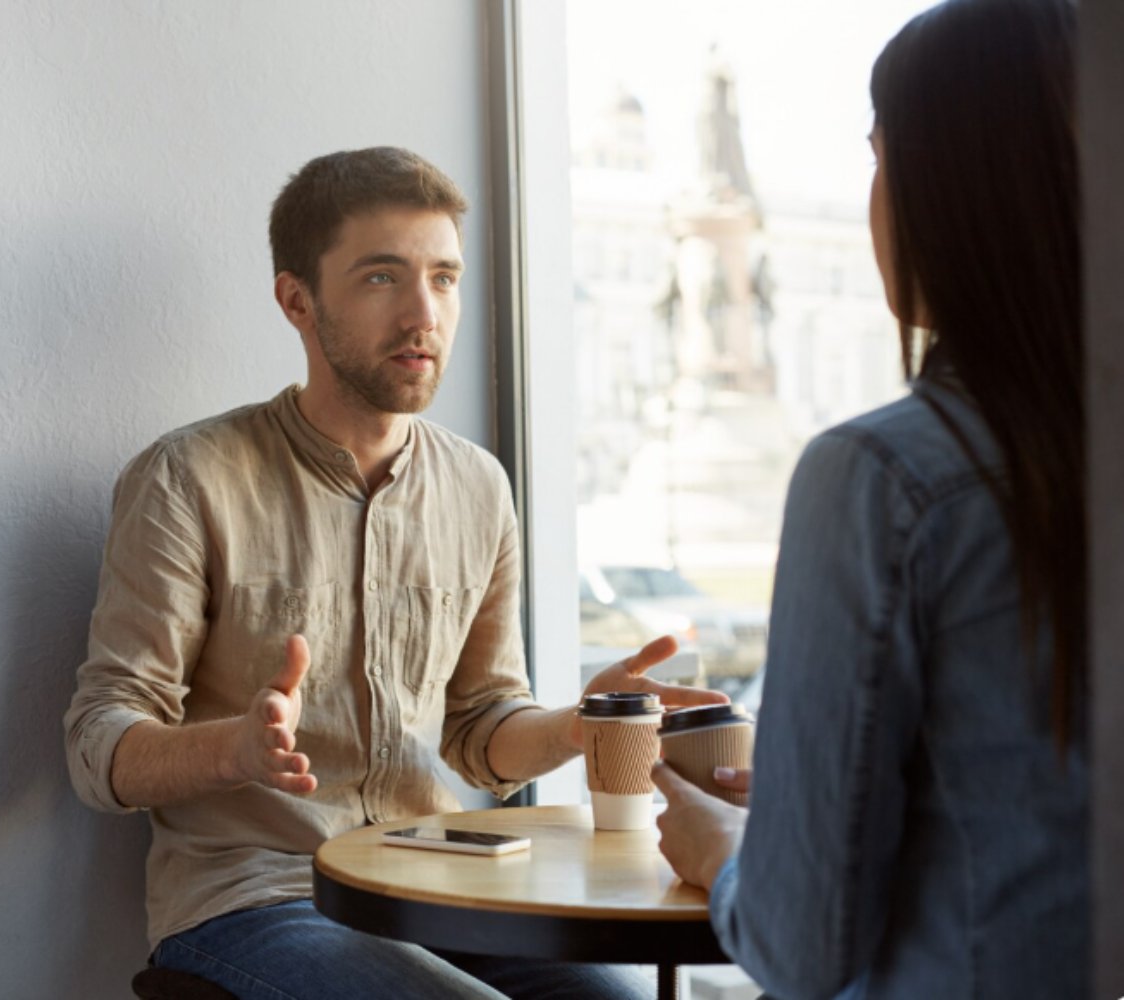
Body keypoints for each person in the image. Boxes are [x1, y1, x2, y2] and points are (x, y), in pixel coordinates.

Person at [65, 146, 726, 1000]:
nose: (425, 313)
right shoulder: (188, 478)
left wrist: (574, 727)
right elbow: (97, 746)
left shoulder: (479, 486)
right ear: (297, 300)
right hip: (257, 900)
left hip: (438, 887)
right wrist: (234, 750)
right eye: (383, 278)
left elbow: (481, 732)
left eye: (444, 278)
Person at [651, 1, 1090, 997]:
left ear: (949, 189)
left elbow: (803, 946)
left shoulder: (884, 477)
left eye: (879, 158)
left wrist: (729, 850)